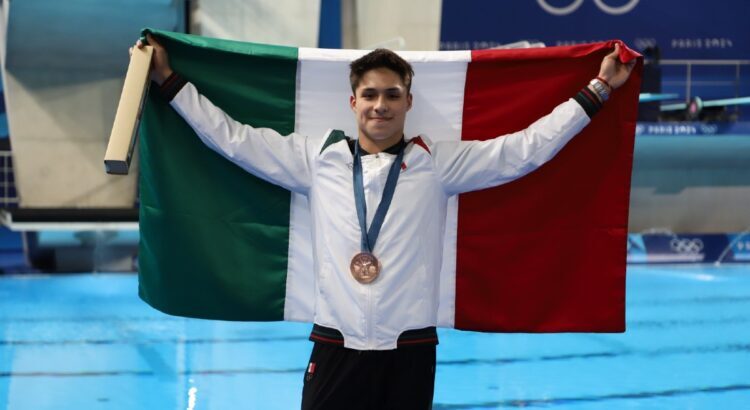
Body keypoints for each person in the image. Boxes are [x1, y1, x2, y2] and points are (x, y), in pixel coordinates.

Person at [132, 33, 634, 409]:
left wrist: (597, 90)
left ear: (408, 102)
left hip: (409, 346)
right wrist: (169, 82)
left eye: (392, 94)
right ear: (353, 102)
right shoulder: (317, 159)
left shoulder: (438, 164)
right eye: (370, 94)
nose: (380, 104)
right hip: (334, 342)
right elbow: (232, 138)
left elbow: (524, 150)